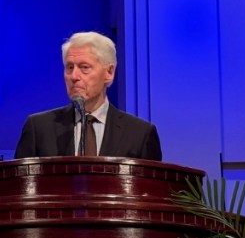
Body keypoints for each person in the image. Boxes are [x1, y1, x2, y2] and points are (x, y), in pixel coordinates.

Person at [13, 31, 162, 161]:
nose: (74, 76)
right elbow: (19, 188)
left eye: (84, 67)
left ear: (109, 73)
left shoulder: (140, 134)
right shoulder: (38, 128)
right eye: (69, 67)